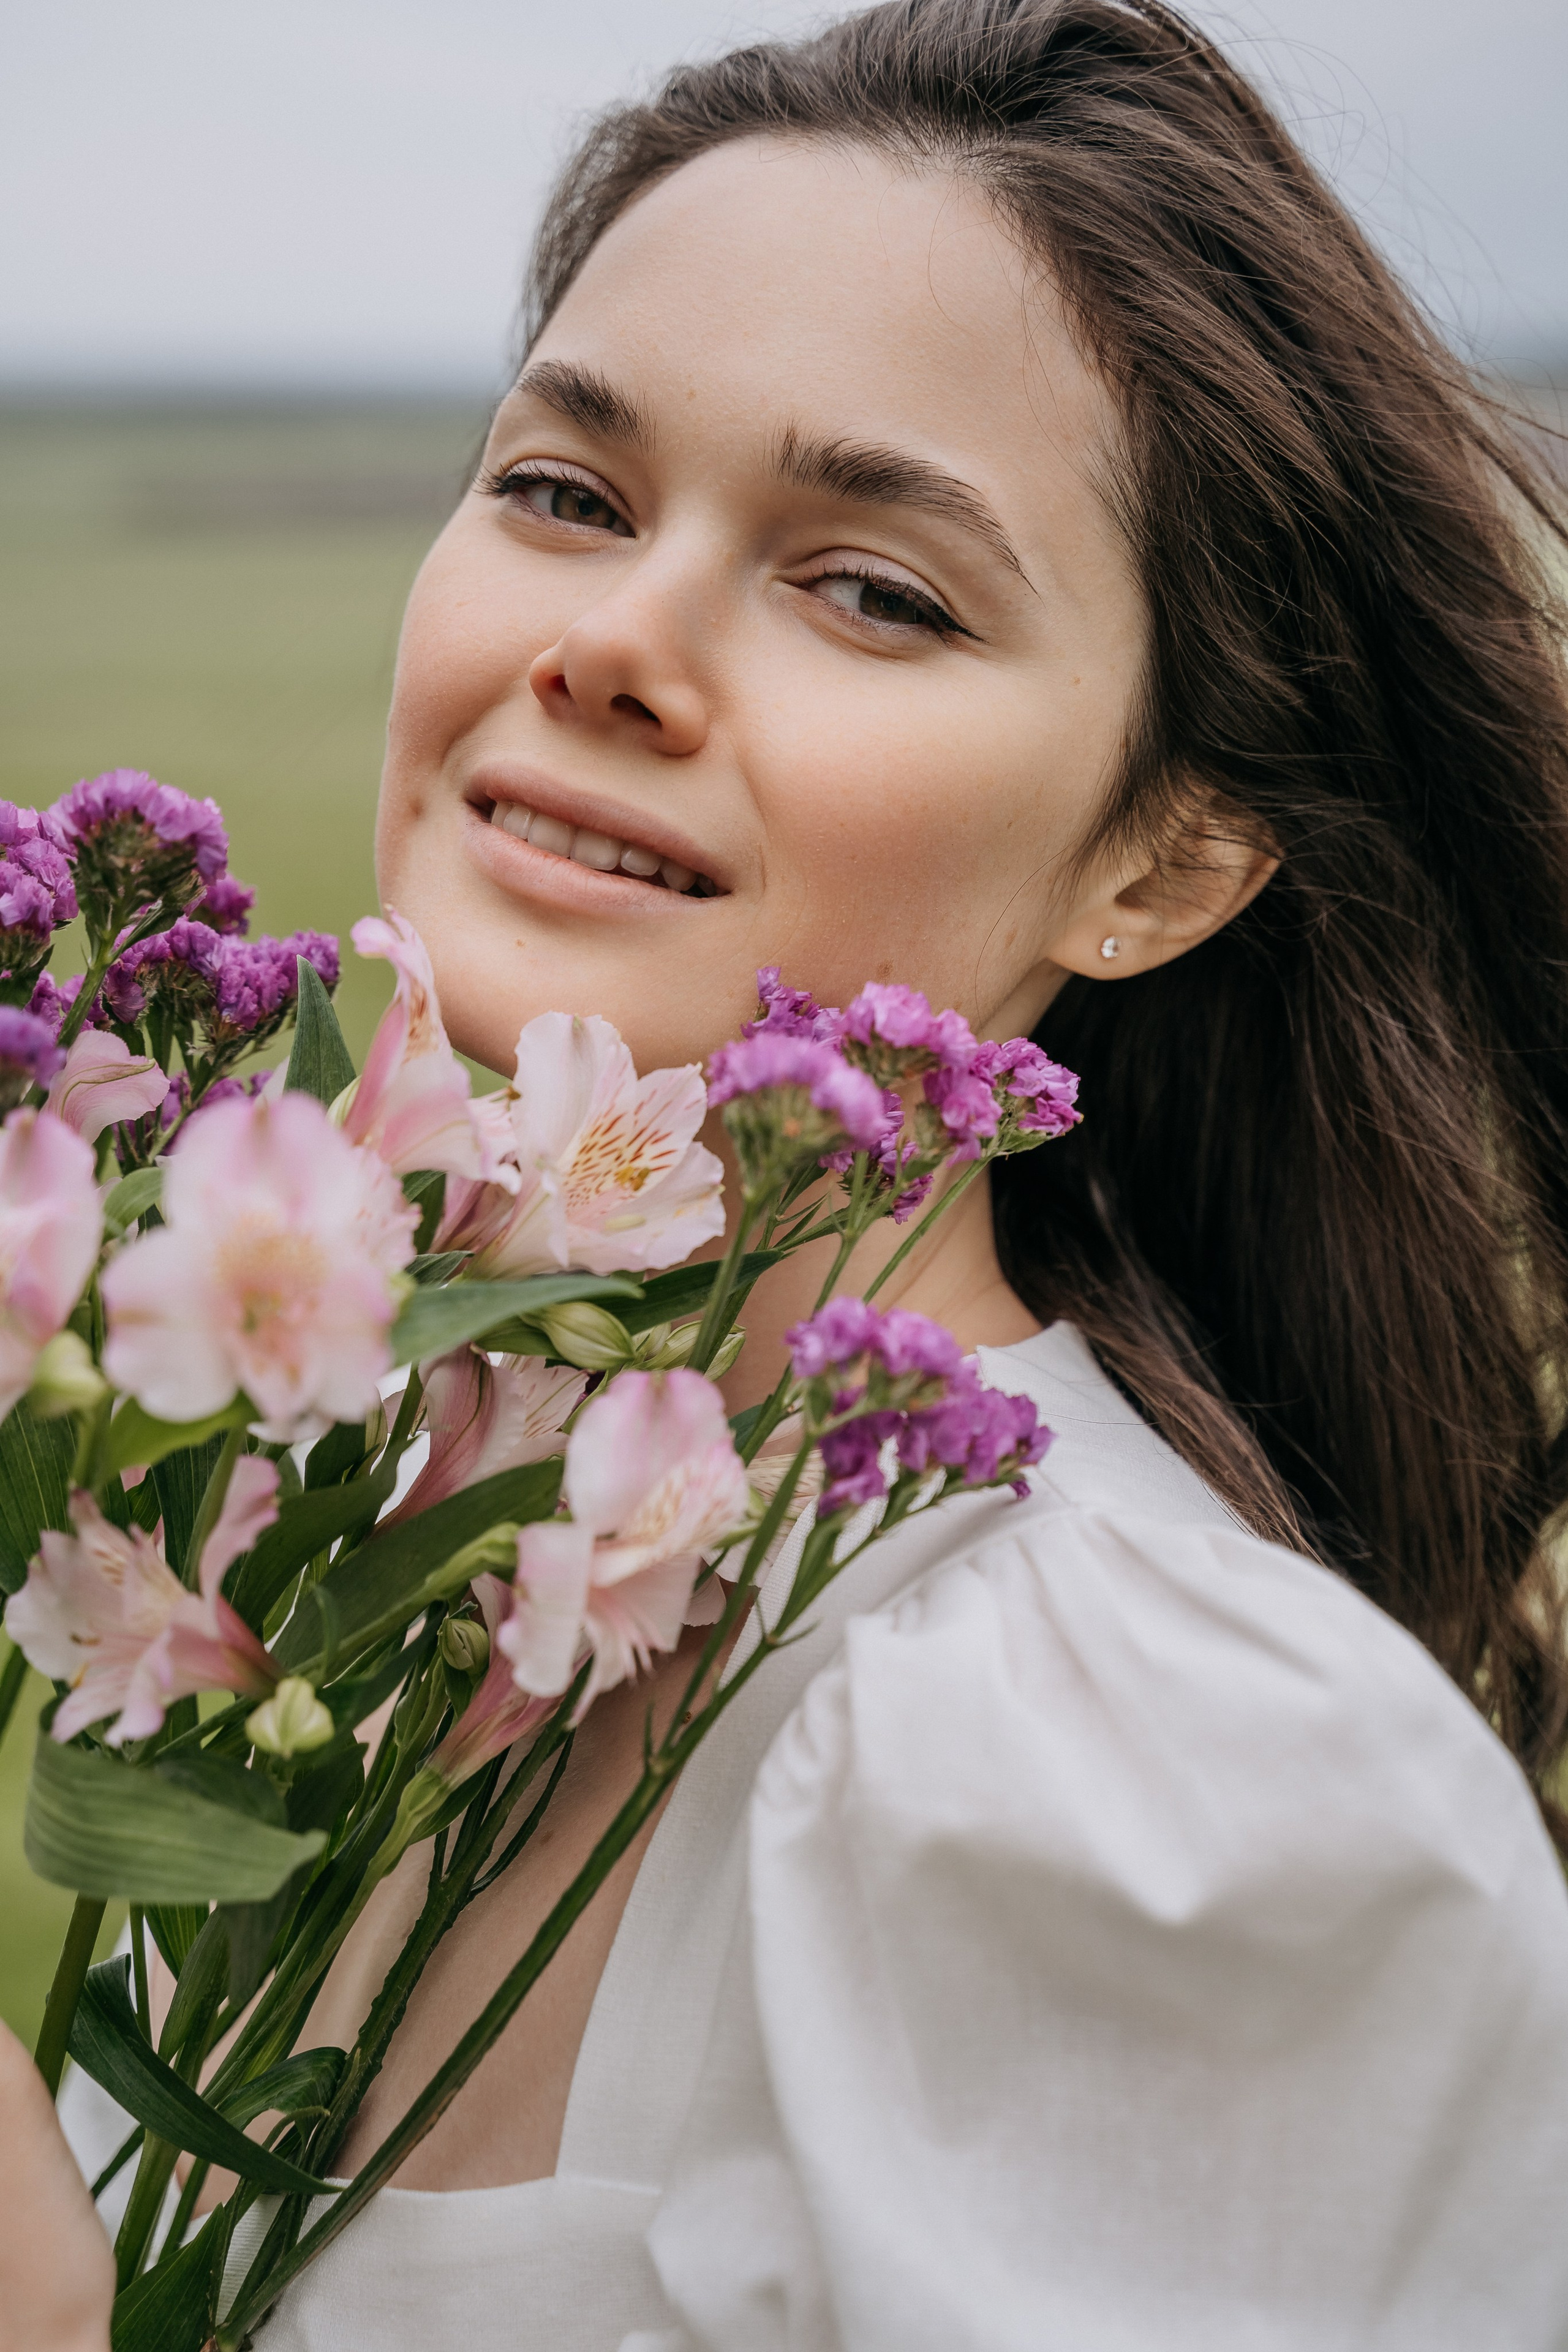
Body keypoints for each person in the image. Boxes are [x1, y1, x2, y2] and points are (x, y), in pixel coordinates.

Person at [10, 1, 1568, 2343]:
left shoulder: (1159, 1782)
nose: (613, 642)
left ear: (1166, 859)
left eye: (877, 588)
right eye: (565, 490)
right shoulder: (328, 1536)